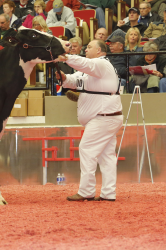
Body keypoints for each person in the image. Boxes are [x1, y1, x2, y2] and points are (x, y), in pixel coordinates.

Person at [56, 39, 123, 202]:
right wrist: (63, 77)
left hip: (103, 117)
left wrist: (64, 57)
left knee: (86, 149)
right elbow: (73, 80)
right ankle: (108, 193)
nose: (86, 49)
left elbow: (84, 64)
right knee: (106, 156)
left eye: (90, 47)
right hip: (106, 117)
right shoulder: (90, 69)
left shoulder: (101, 64)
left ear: (100, 51)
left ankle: (86, 191)